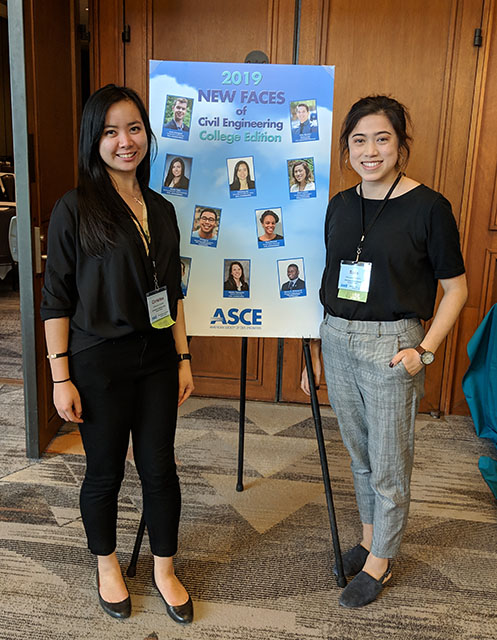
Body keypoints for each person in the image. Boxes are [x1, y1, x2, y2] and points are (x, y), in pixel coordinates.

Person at [301, 95, 467, 608]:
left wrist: (425, 351)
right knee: (359, 453)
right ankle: (370, 536)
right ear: (346, 147)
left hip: (393, 345)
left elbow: (456, 289)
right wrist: (315, 350)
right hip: (337, 337)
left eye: (382, 138)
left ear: (400, 145)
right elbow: (329, 281)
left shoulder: (430, 207)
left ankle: (382, 560)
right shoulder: (340, 204)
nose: (369, 151)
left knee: (390, 460)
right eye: (358, 140)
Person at [40, 85, 195, 625]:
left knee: (160, 469)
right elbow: (55, 297)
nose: (125, 141)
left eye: (134, 129)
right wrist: (61, 377)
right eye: (111, 131)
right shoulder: (75, 207)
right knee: (104, 473)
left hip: (155, 358)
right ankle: (107, 564)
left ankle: (164, 568)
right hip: (97, 361)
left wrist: (182, 357)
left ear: (147, 136)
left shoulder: (163, 208)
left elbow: (172, 292)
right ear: (94, 139)